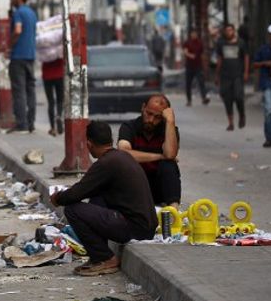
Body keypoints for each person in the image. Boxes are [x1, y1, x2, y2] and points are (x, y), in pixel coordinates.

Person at [51, 121, 157, 276]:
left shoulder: (106, 163)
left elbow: (76, 194)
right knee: (96, 195)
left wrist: (57, 198)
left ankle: (104, 257)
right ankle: (98, 256)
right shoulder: (120, 157)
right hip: (145, 226)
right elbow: (87, 188)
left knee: (73, 210)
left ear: (89, 144)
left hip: (134, 229)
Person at [118, 94, 181, 207]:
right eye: (149, 114)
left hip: (159, 187)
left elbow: (170, 154)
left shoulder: (169, 130)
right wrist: (159, 156)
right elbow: (124, 153)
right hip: (135, 186)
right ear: (143, 108)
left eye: (157, 117)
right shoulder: (129, 127)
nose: (151, 120)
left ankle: (174, 211)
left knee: (169, 164)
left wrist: (170, 122)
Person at [9, 0, 38, 133]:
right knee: (30, 90)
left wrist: (10, 44)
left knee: (19, 90)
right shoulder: (32, 13)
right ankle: (31, 123)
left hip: (18, 56)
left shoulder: (18, 12)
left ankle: (22, 123)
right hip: (30, 55)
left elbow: (18, 30)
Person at [213, 23, 249, 130]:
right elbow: (219, 59)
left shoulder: (241, 43)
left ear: (234, 31)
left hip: (238, 75)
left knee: (238, 97)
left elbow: (246, 57)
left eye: (231, 30)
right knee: (227, 99)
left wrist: (246, 72)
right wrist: (217, 75)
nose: (229, 32)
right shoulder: (221, 43)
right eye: (227, 30)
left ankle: (242, 115)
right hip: (225, 76)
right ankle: (231, 123)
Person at [182, 28, 209, 106]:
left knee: (201, 82)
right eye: (193, 33)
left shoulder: (200, 43)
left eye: (195, 34)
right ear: (191, 34)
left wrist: (205, 65)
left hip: (198, 66)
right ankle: (189, 100)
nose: (194, 35)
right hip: (189, 66)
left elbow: (202, 54)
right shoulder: (187, 42)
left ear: (197, 34)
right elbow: (185, 52)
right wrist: (191, 56)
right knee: (188, 84)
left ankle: (204, 98)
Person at [41, 55, 65, 136]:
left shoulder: (45, 44)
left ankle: (53, 128)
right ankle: (58, 115)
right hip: (59, 74)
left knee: (51, 102)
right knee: (60, 100)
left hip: (47, 75)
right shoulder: (59, 45)